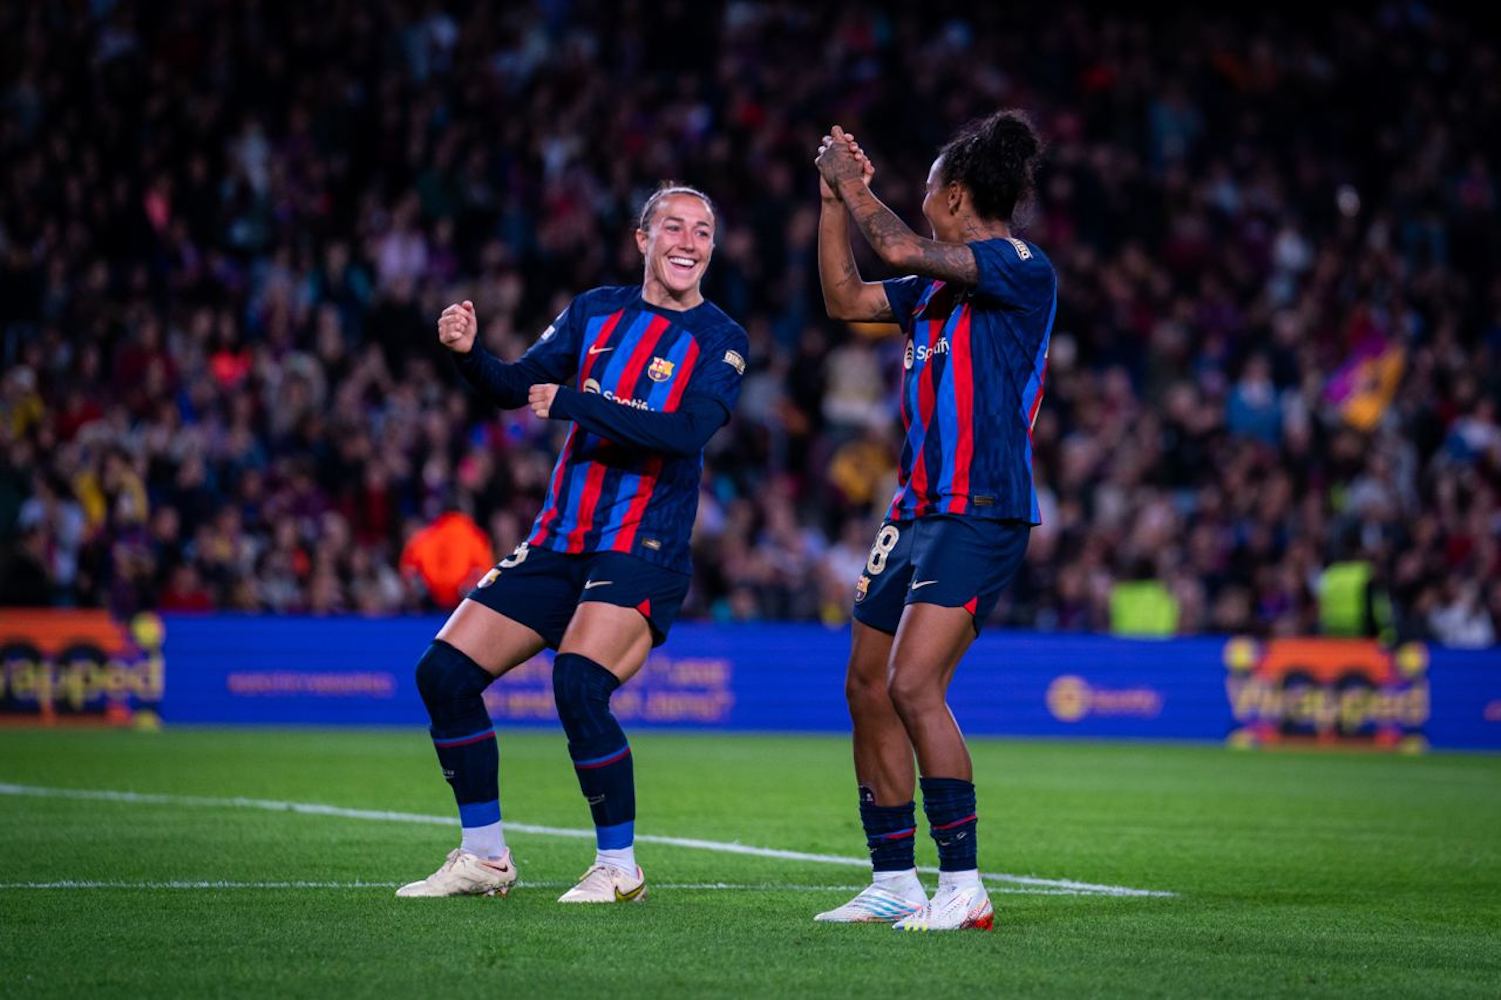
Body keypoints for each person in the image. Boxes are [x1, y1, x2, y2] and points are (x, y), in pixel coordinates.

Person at [396, 184, 748, 903]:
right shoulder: (595, 312)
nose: (688, 242)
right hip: (561, 540)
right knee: (443, 676)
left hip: (642, 544)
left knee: (579, 684)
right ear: (641, 238)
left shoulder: (721, 339)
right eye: (673, 227)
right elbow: (512, 384)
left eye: (703, 232)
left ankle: (619, 868)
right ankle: (484, 857)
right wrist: (468, 353)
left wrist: (577, 402)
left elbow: (685, 432)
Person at [811, 112, 1056, 931]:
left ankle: (963, 886)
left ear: (955, 198)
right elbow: (845, 298)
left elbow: (899, 249)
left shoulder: (1020, 266)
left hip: (981, 506)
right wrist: (830, 201)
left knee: (913, 683)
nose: (916, 207)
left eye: (924, 193)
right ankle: (893, 882)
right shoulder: (930, 295)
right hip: (915, 506)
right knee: (865, 686)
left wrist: (856, 185)